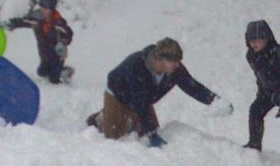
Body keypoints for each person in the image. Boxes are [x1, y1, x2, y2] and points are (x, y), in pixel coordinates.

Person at [89, 38, 230, 147]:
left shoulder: (175, 70)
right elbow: (140, 103)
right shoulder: (137, 66)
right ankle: (100, 118)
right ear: (160, 59)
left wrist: (214, 100)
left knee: (145, 129)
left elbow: (191, 85)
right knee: (114, 138)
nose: (178, 64)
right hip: (117, 94)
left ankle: (124, 118)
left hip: (143, 98)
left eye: (179, 61)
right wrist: (151, 134)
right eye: (174, 61)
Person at [242, 20, 280, 152]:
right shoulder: (252, 56)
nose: (255, 43)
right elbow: (261, 76)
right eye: (252, 40)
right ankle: (254, 145)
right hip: (271, 92)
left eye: (258, 39)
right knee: (256, 110)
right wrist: (262, 94)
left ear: (266, 38)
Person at [4, 0, 74, 84]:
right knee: (41, 72)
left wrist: (64, 41)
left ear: (51, 10)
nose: (42, 10)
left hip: (57, 55)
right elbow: (23, 21)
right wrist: (11, 23)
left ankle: (65, 72)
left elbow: (68, 34)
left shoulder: (58, 22)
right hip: (44, 53)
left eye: (46, 9)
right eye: (41, 7)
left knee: (53, 79)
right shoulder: (36, 19)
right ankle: (60, 71)